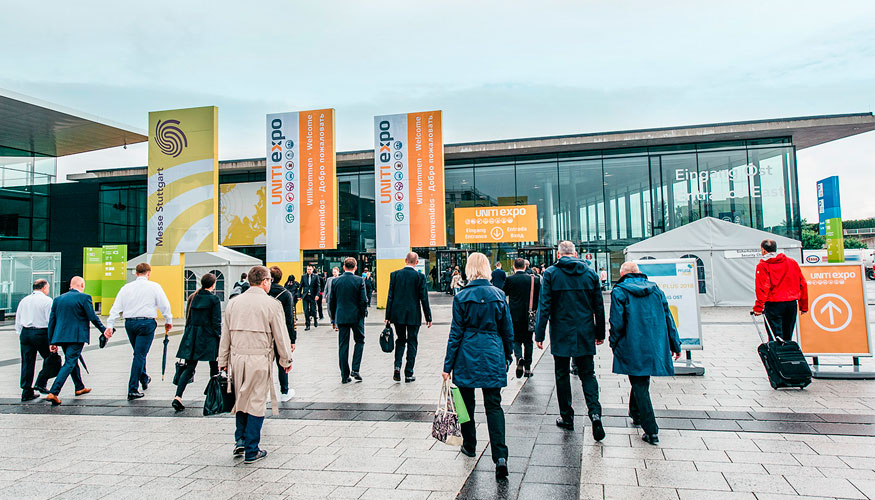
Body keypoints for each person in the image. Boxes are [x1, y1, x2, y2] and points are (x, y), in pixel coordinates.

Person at [442, 252, 513, 480]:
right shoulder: (499, 295)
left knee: (466, 404)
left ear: (469, 269)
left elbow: (455, 333)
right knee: (494, 405)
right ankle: (500, 456)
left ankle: (470, 445)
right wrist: (507, 356)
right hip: (492, 352)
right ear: (487, 268)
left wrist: (447, 365)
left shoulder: (462, 297)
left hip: (467, 354)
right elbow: (507, 331)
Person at [218, 266, 293, 464]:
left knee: (240, 398)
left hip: (237, 358)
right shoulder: (272, 304)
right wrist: (286, 360)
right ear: (265, 281)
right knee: (257, 401)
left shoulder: (233, 303)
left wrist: (222, 361)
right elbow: (281, 335)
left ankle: (240, 440)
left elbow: (225, 335)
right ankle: (252, 449)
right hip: (260, 359)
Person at [535, 241, 607, 441]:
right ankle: (595, 413)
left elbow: (545, 305)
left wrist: (539, 334)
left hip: (561, 331)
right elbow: (599, 307)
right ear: (576, 254)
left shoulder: (550, 274)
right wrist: (599, 333)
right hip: (584, 331)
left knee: (561, 375)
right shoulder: (590, 274)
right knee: (588, 374)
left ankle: (567, 417)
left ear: (559, 255)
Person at [610, 262, 682, 445]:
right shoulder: (656, 290)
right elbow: (668, 317)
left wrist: (613, 342)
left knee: (640, 383)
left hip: (632, 343)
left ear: (622, 273)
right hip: (654, 343)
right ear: (639, 272)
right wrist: (675, 344)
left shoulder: (620, 291)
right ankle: (635, 413)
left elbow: (616, 322)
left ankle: (651, 430)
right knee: (641, 379)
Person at [105, 262, 173, 400]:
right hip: (146, 323)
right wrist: (168, 320)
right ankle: (132, 389)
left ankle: (144, 378)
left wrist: (110, 325)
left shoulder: (126, 288)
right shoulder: (154, 286)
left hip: (130, 323)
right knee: (140, 355)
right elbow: (164, 304)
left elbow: (116, 307)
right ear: (149, 273)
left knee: (138, 353)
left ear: (136, 273)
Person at [45, 277, 105, 405]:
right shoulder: (84, 298)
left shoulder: (58, 299)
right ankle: (54, 392)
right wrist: (104, 330)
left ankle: (79, 387)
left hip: (61, 336)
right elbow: (92, 317)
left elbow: (52, 321)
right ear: (82, 285)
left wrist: (51, 341)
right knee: (70, 362)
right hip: (76, 336)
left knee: (72, 359)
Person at [172, 273, 221, 411]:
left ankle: (178, 397)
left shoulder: (193, 297)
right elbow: (216, 322)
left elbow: (189, 319)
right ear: (213, 284)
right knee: (214, 367)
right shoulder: (214, 299)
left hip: (193, 336)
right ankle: (213, 399)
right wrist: (220, 338)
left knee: (189, 368)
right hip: (209, 337)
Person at [385, 252, 433, 383]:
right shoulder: (420, 277)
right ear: (416, 262)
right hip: (413, 314)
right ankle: (409, 372)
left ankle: (397, 366)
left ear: (405, 260)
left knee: (400, 340)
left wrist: (387, 316)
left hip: (397, 314)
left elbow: (390, 296)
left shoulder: (395, 275)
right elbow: (424, 298)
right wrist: (428, 316)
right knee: (412, 341)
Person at [753, 239, 809, 340]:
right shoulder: (792, 262)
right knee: (788, 335)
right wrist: (803, 306)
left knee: (775, 336)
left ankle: (778, 355)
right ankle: (786, 353)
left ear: (764, 250)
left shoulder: (763, 265)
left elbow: (763, 287)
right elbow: (802, 284)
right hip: (791, 304)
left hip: (774, 305)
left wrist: (759, 307)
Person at [329, 257, 368, 383]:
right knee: (360, 341)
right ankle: (355, 369)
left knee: (343, 345)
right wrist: (363, 314)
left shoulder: (335, 281)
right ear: (355, 267)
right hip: (356, 317)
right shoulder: (359, 280)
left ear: (343, 267)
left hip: (341, 317)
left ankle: (344, 375)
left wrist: (333, 318)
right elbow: (363, 300)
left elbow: (332, 302)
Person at [16, 279, 54, 401]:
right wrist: (52, 340)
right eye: (48, 287)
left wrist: (20, 333)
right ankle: (41, 382)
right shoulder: (47, 301)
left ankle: (26, 391)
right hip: (41, 332)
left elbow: (18, 319)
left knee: (27, 362)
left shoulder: (24, 300)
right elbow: (50, 321)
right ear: (43, 288)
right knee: (51, 359)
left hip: (26, 332)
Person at [503, 258, 540, 378]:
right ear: (525, 266)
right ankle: (528, 368)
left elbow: (504, 293)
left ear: (514, 267)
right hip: (530, 315)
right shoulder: (534, 279)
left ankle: (519, 358)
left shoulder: (510, 279)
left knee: (516, 340)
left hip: (514, 315)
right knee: (528, 341)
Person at [267, 266, 297, 402]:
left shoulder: (262, 292)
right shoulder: (285, 294)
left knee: (264, 362)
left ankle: (262, 391)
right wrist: (292, 339)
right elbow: (290, 318)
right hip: (280, 331)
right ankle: (284, 391)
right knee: (282, 361)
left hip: (264, 332)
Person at [300, 266, 320, 330]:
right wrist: (299, 295)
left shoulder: (316, 277)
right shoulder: (303, 276)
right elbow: (300, 286)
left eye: (310, 269)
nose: (309, 270)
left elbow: (318, 287)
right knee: (306, 310)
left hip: (313, 296)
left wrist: (317, 295)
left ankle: (315, 319)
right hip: (305, 296)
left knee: (313, 309)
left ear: (312, 269)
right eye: (308, 269)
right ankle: (307, 325)